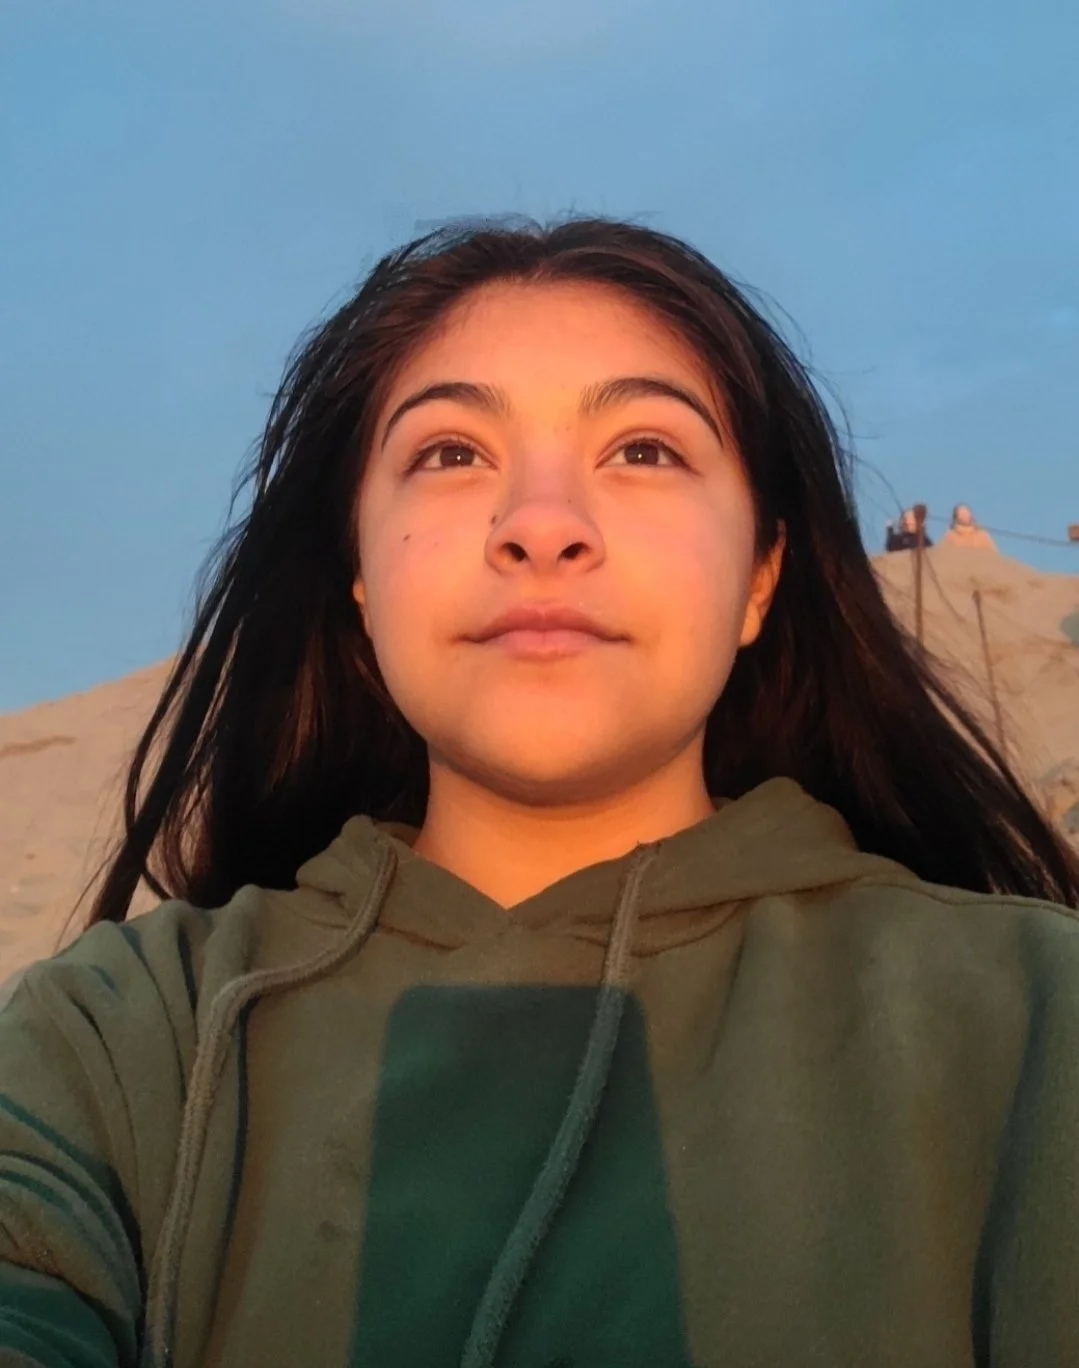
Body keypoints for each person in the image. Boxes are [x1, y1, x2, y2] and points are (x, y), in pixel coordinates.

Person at [0, 218, 1078, 1368]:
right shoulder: (120, 1037)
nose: (541, 527)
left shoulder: (1032, 1020)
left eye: (644, 450)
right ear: (359, 572)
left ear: (760, 576)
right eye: (450, 453)